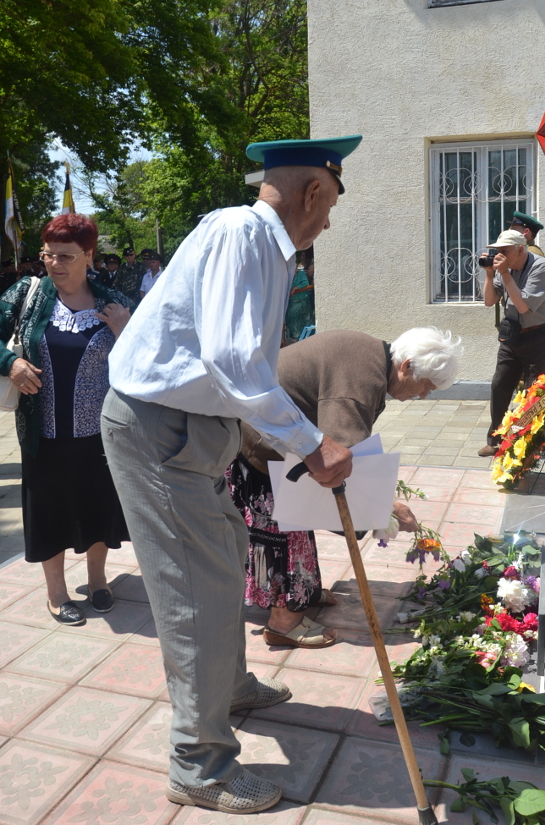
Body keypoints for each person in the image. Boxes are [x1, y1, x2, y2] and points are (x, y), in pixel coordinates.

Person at [101, 135, 361, 815]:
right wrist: (310, 446)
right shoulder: (242, 233)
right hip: (160, 427)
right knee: (195, 588)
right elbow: (233, 360)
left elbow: (239, 365)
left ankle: (228, 685)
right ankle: (199, 761)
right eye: (330, 203)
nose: (329, 221)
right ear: (312, 192)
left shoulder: (263, 247)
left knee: (224, 556)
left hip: (191, 429)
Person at [229, 326, 464, 649]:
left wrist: (379, 501)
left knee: (300, 519)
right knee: (285, 530)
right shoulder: (362, 377)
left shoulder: (371, 360)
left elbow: (347, 451)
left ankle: (304, 592)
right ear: (406, 366)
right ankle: (283, 622)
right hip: (260, 442)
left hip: (278, 438)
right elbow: (339, 457)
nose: (423, 395)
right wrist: (387, 506)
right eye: (426, 386)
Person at [0, 215, 133, 624]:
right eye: (48, 254)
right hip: (44, 433)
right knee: (50, 509)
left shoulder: (114, 301)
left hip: (102, 435)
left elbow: (147, 363)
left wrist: (126, 331)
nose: (54, 263)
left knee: (99, 506)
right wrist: (10, 363)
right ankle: (56, 593)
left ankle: (97, 581)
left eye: (65, 255)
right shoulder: (29, 294)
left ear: (88, 255)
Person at [478, 229, 545, 457]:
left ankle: (529, 443)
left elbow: (524, 307)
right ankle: (495, 439)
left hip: (535, 337)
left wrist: (505, 274)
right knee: (500, 386)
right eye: (497, 251)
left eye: (504, 251)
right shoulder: (502, 269)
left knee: (533, 393)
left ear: (520, 249)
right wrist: (490, 274)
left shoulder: (540, 267)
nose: (499, 256)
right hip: (511, 337)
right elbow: (489, 302)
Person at [284, 257, 314, 342]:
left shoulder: (301, 273)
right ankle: (296, 338)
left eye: (294, 266)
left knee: (300, 315)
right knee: (291, 317)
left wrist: (295, 288)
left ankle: (303, 338)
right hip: (291, 302)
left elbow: (305, 283)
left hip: (302, 301)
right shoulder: (285, 275)